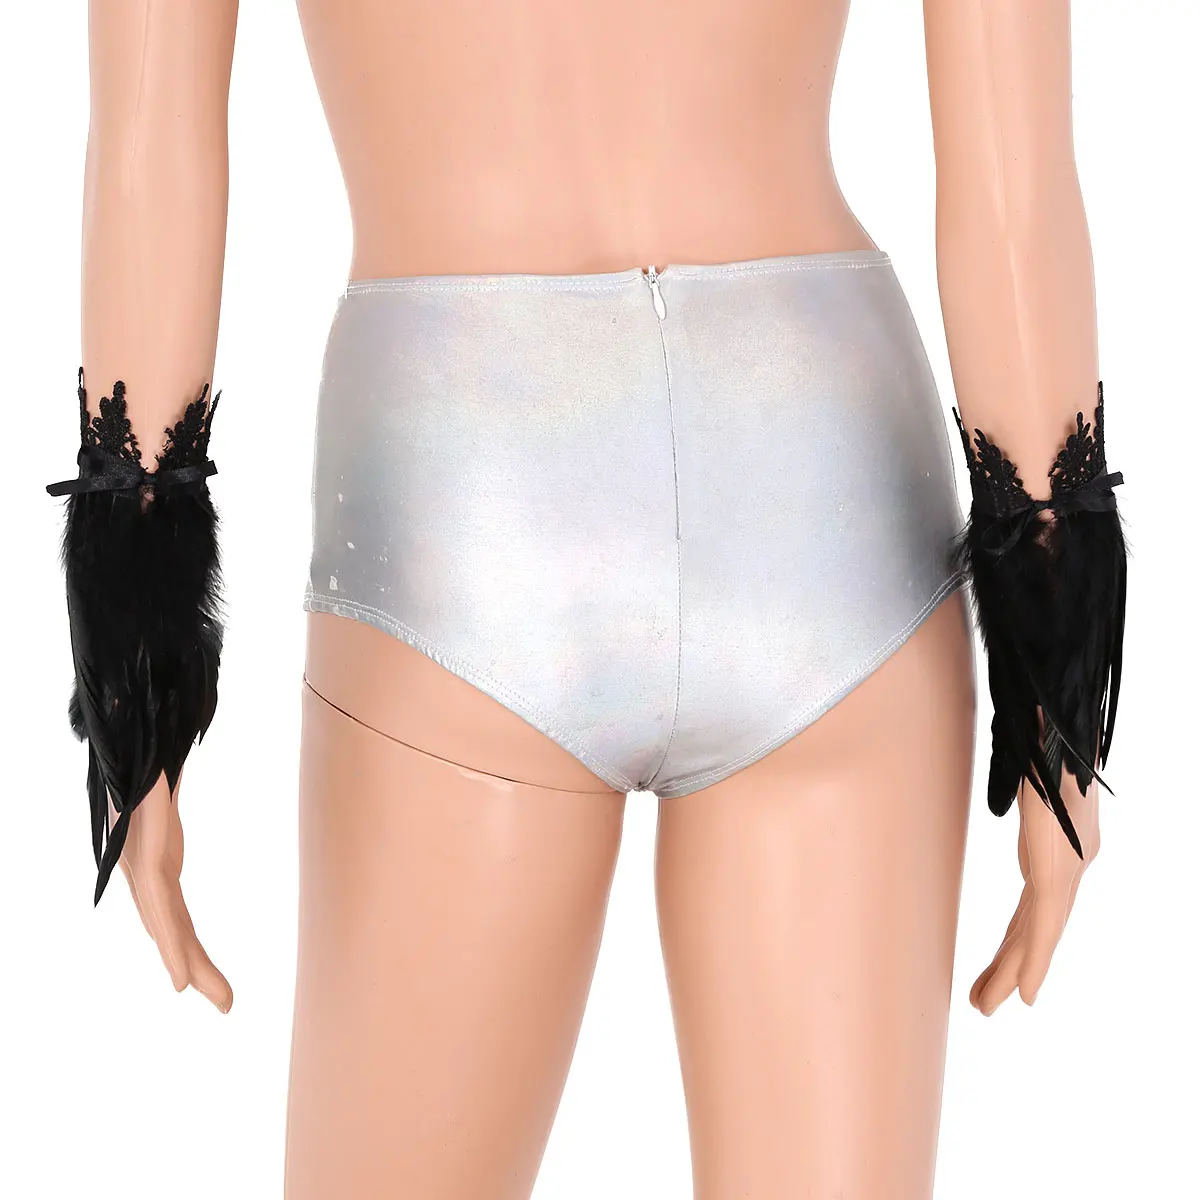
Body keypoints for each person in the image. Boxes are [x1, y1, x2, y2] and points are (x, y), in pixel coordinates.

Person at [45, 2, 1125, 1196]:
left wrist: (136, 671)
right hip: (820, 465)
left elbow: (148, 144)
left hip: (472, 475)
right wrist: (1058, 670)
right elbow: (1016, 176)